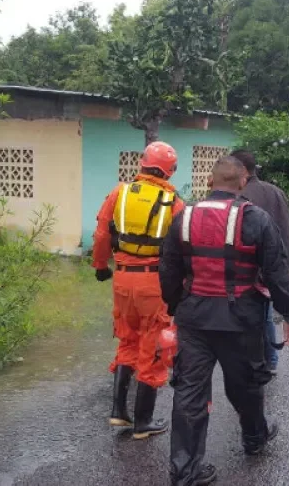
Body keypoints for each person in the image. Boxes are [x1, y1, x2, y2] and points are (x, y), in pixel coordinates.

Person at [160, 156, 289, 486]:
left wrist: (173, 306)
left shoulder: (183, 217)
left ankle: (185, 471)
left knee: (189, 395)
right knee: (247, 386)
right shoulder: (257, 218)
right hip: (241, 319)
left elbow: (168, 268)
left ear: (210, 182)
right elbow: (276, 271)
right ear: (242, 183)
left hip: (194, 319)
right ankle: (254, 438)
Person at [91, 141, 186, 440]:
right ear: (170, 171)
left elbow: (102, 232)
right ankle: (142, 423)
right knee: (154, 347)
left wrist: (100, 266)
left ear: (142, 164)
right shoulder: (174, 203)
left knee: (127, 341)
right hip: (153, 283)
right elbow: (181, 250)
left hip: (122, 280)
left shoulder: (119, 193)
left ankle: (119, 412)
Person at [230, 149, 289, 375]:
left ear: (241, 171)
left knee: (258, 314)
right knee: (266, 311)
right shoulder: (275, 191)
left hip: (254, 267)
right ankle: (269, 360)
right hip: (277, 262)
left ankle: (262, 361)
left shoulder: (241, 197)